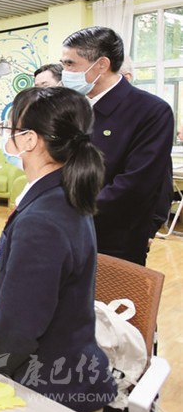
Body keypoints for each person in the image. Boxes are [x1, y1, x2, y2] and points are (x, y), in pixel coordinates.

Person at [0, 86, 115, 412]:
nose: (6, 136)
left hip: (52, 390)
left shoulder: (42, 220)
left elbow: (20, 327)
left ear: (29, 140)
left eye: (10, 128)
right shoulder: (63, 194)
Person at [61, 26, 174, 265]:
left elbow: (136, 183)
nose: (65, 72)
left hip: (116, 238)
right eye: (63, 64)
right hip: (67, 230)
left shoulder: (151, 111)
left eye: (70, 64)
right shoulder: (75, 107)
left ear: (102, 65)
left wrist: (72, 210)